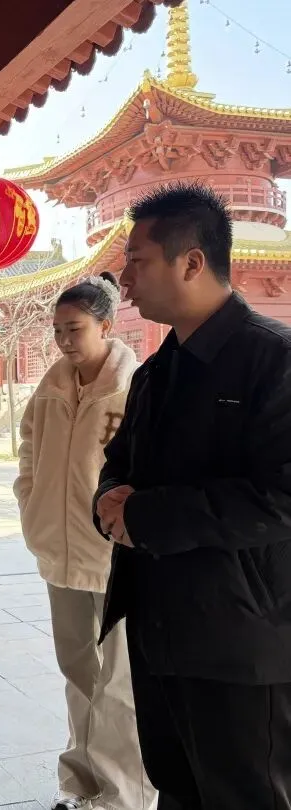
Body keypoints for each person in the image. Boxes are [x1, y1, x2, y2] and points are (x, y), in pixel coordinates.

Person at [94, 182, 291, 810]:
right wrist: (108, 503)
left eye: (137, 260)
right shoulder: (157, 371)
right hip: (159, 627)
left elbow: (282, 497)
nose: (124, 279)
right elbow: (120, 465)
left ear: (192, 262)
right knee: (175, 788)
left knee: (245, 795)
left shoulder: (274, 361)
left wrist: (145, 514)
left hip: (242, 639)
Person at [15, 273, 155, 810]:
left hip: (114, 554)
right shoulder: (50, 388)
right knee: (77, 672)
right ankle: (82, 782)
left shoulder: (134, 387)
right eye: (57, 331)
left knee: (119, 682)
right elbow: (29, 450)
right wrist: (30, 501)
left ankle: (124, 795)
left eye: (74, 329)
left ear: (105, 325)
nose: (64, 341)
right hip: (59, 550)